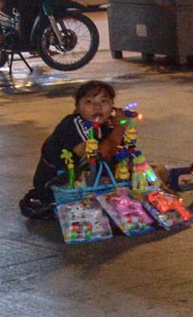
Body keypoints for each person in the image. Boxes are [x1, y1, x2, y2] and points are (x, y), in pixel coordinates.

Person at [19, 80, 121, 219]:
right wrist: (120, 128)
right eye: (89, 102)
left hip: (88, 182)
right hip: (57, 186)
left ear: (112, 107)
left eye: (104, 101)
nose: (97, 107)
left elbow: (116, 152)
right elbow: (98, 153)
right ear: (77, 108)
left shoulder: (104, 127)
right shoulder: (73, 124)